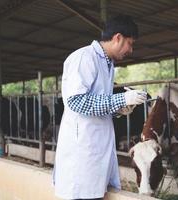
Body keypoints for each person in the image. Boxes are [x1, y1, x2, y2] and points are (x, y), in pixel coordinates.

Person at [53, 15, 146, 200]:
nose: (131, 50)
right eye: (130, 43)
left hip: (96, 151)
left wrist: (119, 109)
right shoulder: (84, 57)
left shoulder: (107, 63)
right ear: (117, 37)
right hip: (82, 154)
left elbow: (97, 103)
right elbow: (76, 101)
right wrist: (120, 99)